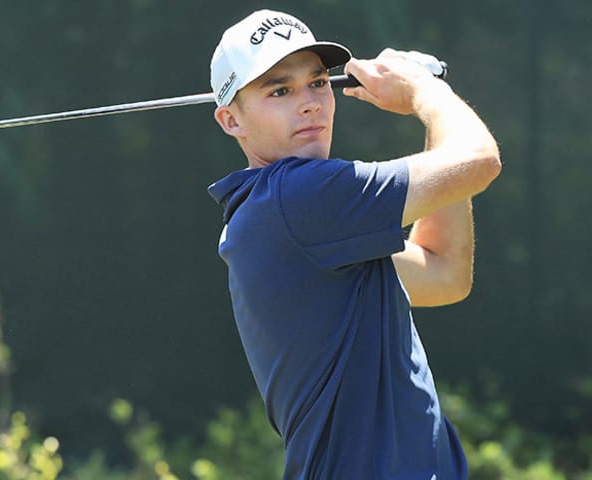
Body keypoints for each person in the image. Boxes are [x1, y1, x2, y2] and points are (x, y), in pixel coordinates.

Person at [207, 9, 501, 480]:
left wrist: (430, 113)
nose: (310, 104)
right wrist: (427, 93)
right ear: (231, 120)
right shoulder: (297, 197)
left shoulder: (293, 222)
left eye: (318, 82)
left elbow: (443, 271)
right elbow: (480, 160)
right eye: (280, 90)